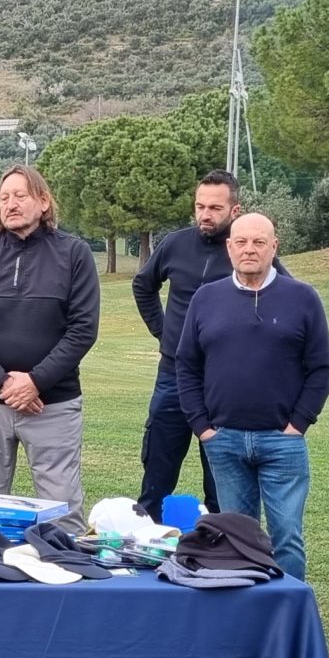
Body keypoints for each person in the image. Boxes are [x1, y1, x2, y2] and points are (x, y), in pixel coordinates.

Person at [176, 213, 329, 580]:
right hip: (224, 440)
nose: (250, 249)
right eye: (242, 242)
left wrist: (297, 425)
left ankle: (287, 608)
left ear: (274, 247)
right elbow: (186, 365)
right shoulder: (206, 298)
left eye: (259, 242)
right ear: (229, 247)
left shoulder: (302, 298)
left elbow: (321, 368)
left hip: (282, 441)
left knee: (287, 537)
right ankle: (246, 606)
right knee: (237, 539)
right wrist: (203, 428)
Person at [0, 164, 100, 533]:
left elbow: (83, 330)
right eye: (4, 198)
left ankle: (62, 570)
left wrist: (35, 382)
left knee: (63, 516)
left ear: (44, 202)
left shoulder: (74, 253)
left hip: (53, 404)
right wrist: (4, 383)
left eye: (20, 195)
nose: (11, 204)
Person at [131, 171, 240, 519]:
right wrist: (164, 333)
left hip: (224, 381)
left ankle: (221, 543)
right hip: (174, 375)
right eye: (200, 206)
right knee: (157, 474)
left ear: (234, 210)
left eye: (215, 208)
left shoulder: (244, 249)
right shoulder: (175, 244)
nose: (205, 215)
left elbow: (279, 294)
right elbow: (143, 285)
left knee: (222, 482)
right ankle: (148, 538)